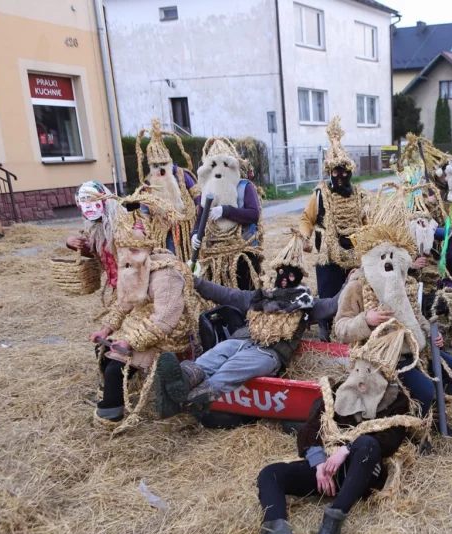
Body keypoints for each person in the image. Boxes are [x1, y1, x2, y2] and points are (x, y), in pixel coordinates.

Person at [235, 323, 428, 534]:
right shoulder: (336, 390)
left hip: (362, 473)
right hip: (326, 469)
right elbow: (309, 430)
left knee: (369, 445)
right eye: (360, 367)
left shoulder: (397, 402)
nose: (363, 378)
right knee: (271, 474)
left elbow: (388, 441)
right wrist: (318, 464)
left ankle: (332, 524)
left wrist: (346, 450)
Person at [154, 235, 338, 417]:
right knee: (217, 353)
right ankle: (184, 379)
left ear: (297, 278)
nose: (284, 279)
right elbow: (226, 294)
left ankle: (200, 396)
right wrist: (194, 281)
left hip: (269, 352)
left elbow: (332, 305)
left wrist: (351, 282)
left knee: (236, 366)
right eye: (282, 272)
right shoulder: (260, 297)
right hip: (241, 340)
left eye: (291, 275)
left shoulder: (307, 304)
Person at [332, 222, 452, 428]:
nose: (388, 262)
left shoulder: (406, 283)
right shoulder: (357, 286)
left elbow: (417, 317)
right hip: (384, 356)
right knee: (425, 390)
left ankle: (437, 418)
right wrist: (366, 321)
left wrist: (430, 333)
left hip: (415, 347)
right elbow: (340, 328)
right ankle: (415, 431)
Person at [88, 196, 199, 424]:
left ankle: (111, 414)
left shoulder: (165, 273)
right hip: (140, 324)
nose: (126, 255)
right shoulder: (132, 268)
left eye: (132, 248)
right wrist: (107, 328)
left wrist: (131, 342)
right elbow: (124, 303)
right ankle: (112, 394)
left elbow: (165, 319)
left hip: (163, 332)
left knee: (115, 367)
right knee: (104, 356)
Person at [299, 117, 370, 340]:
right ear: (329, 173)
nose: (340, 177)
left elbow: (368, 222)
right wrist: (304, 238)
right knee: (329, 292)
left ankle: (352, 327)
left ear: (350, 172)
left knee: (352, 289)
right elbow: (306, 219)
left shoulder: (360, 195)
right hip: (327, 254)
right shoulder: (320, 194)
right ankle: (324, 327)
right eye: (335, 173)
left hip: (354, 251)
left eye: (344, 172)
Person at [190, 137, 263, 290]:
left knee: (245, 294)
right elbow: (200, 219)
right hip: (215, 256)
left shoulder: (245, 187)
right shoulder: (207, 191)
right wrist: (196, 234)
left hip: (242, 253)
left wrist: (226, 211)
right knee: (219, 295)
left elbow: (253, 214)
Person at [135, 118, 200, 260]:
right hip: (163, 232)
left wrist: (199, 220)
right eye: (156, 165)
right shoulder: (148, 184)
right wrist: (140, 228)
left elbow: (197, 196)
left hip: (188, 229)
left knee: (192, 260)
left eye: (164, 164)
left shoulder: (182, 175)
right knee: (169, 260)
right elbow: (144, 212)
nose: (161, 169)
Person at [65, 181, 119, 290]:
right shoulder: (94, 227)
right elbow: (95, 252)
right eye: (83, 200)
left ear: (105, 199)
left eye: (92, 199)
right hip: (117, 287)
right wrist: (71, 243)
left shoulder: (123, 222)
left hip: (135, 285)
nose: (88, 205)